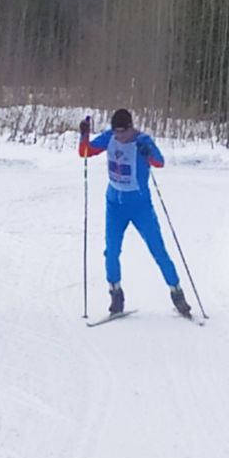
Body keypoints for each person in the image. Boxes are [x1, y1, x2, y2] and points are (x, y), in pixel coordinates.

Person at [79, 108, 191, 317]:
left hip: (140, 206)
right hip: (115, 204)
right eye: (116, 132)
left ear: (131, 128)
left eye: (123, 132)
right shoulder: (109, 137)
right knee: (111, 251)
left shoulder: (142, 140)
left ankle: (177, 293)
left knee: (158, 249)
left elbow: (159, 162)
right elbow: (85, 152)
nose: (119, 137)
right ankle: (115, 293)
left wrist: (148, 152)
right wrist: (84, 134)